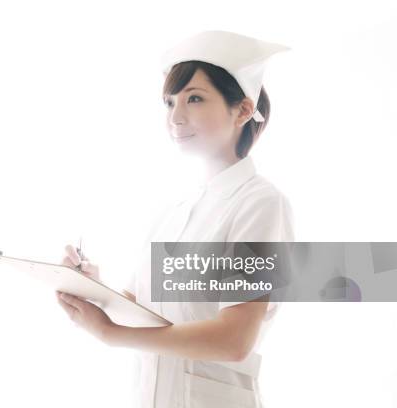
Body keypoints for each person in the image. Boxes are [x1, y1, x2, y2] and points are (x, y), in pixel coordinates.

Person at [56, 30, 294, 408]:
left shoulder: (261, 204)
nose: (175, 118)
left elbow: (234, 340)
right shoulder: (174, 211)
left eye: (194, 99)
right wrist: (95, 292)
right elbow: (142, 311)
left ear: (244, 110)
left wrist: (110, 334)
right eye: (169, 103)